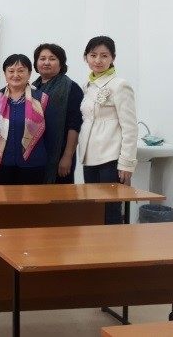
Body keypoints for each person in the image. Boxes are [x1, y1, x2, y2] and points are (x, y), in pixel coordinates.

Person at [78, 36, 137, 224]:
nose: (98, 60)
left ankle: (113, 243)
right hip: (89, 156)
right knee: (93, 208)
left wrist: (126, 163)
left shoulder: (119, 85)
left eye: (104, 55)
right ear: (86, 57)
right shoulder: (87, 85)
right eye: (93, 55)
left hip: (110, 157)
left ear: (113, 58)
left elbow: (130, 126)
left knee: (110, 209)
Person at [0, 54, 53, 185]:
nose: (16, 75)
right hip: (2, 164)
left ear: (29, 73)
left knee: (32, 199)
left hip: (34, 164)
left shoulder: (42, 99)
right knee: (4, 198)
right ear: (5, 74)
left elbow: (51, 135)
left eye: (21, 71)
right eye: (11, 71)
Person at [33, 43, 83, 184]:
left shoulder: (71, 88)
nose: (46, 62)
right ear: (36, 63)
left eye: (52, 58)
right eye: (42, 58)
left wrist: (67, 156)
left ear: (61, 63)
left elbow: (75, 125)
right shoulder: (32, 88)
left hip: (60, 155)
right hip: (36, 156)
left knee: (60, 196)